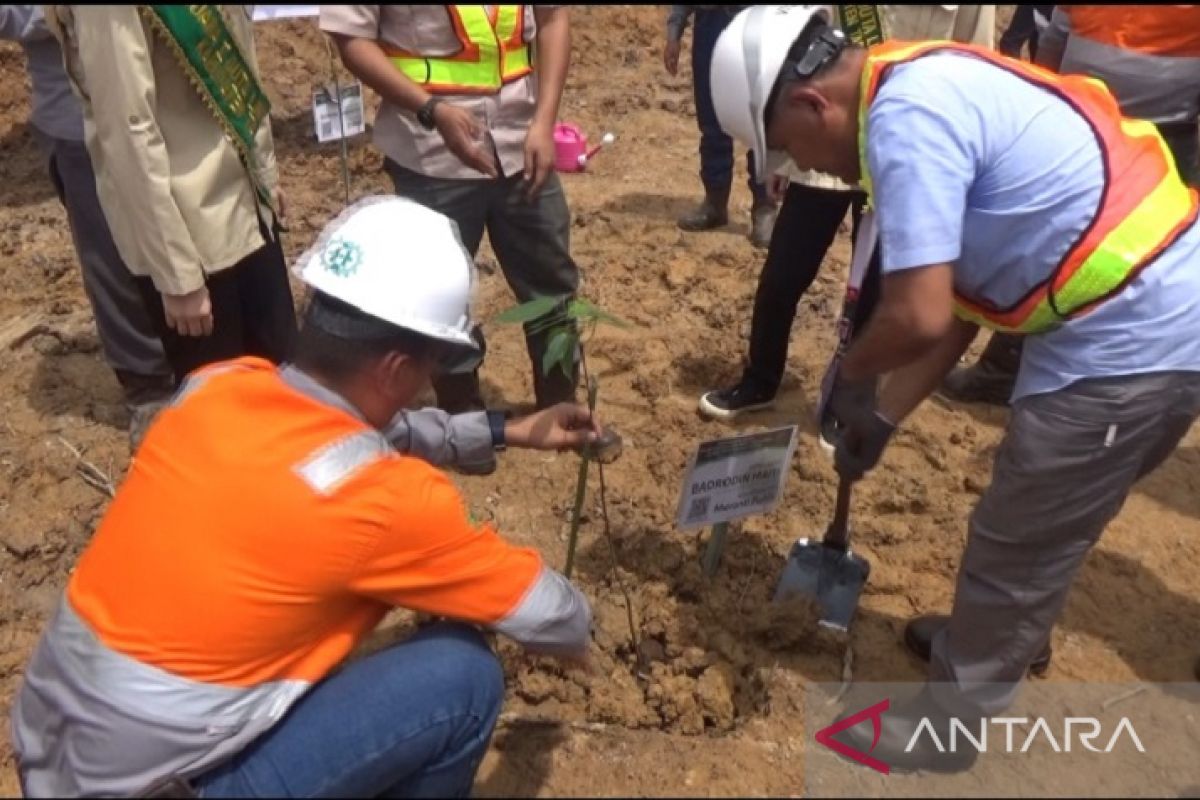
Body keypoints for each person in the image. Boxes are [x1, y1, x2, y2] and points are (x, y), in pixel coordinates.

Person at [711, 5, 1200, 771]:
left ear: (814, 104)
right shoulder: (909, 85)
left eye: (793, 149)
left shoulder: (906, 125)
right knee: (1043, 519)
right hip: (1122, 305)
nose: (804, 170)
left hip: (1134, 338)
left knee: (1019, 534)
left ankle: (955, 720)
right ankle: (995, 640)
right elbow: (962, 307)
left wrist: (857, 380)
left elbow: (917, 311)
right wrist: (887, 416)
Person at [10, 196, 598, 798]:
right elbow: (546, 612)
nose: (429, 382)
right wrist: (587, 631)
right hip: (153, 790)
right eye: (432, 367)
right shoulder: (388, 501)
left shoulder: (215, 389)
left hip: (50, 752)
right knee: (463, 676)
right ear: (396, 368)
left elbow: (361, 432)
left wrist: (508, 430)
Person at [697, 4, 994, 423]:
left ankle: (846, 403)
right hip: (825, 146)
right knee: (782, 277)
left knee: (874, 292)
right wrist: (787, 161)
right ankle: (760, 380)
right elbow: (802, 49)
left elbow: (971, 67)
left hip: (904, 157)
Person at [321, 5, 580, 414]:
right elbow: (352, 40)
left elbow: (553, 19)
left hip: (522, 143)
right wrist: (431, 110)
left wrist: (545, 122)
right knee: (441, 291)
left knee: (552, 282)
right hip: (430, 154)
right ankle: (463, 416)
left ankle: (563, 407)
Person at [942, 3, 1200, 406]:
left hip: (1163, 137)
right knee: (1041, 246)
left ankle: (1101, 389)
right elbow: (1055, 37)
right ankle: (1002, 370)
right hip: (1084, 125)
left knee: (1143, 270)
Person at [44, 5, 298, 386]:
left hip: (246, 210)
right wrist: (177, 275)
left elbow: (240, 62)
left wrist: (265, 173)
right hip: (191, 236)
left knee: (281, 384)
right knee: (220, 409)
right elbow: (129, 129)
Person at [0, 5, 174, 448]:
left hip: (176, 109)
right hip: (82, 119)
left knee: (190, 240)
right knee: (115, 261)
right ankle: (148, 386)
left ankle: (211, 368)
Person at [665, 5, 777, 248]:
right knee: (712, 119)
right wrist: (674, 31)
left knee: (759, 122)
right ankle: (715, 202)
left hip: (756, 24)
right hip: (710, 23)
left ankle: (764, 207)